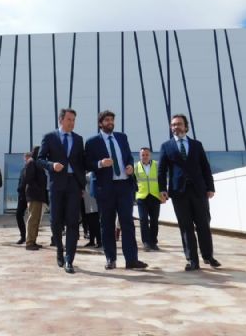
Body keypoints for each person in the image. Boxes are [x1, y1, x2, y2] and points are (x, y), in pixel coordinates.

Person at [85, 110, 147, 270]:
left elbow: (128, 157)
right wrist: (100, 163)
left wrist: (130, 166)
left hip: (124, 186)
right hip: (105, 188)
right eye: (107, 120)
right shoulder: (92, 142)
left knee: (128, 223)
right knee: (107, 224)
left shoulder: (122, 137)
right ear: (100, 123)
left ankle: (131, 260)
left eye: (112, 120)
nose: (110, 122)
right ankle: (110, 259)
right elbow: (86, 164)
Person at [158, 114, 221, 271]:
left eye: (179, 124)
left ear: (186, 126)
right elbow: (161, 171)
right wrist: (162, 189)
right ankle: (192, 260)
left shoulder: (196, 145)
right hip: (178, 192)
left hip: (199, 190)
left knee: (203, 224)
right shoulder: (166, 146)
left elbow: (205, 167)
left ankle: (208, 256)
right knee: (186, 227)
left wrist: (210, 187)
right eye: (173, 125)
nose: (176, 127)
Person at [37, 108, 86, 274]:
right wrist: (52, 165)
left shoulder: (78, 139)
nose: (72, 123)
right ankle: (59, 249)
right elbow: (40, 159)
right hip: (56, 184)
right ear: (61, 120)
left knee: (73, 222)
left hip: (74, 184)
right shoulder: (49, 137)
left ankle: (69, 259)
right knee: (55, 221)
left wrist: (82, 184)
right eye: (69, 119)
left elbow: (81, 162)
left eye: (74, 120)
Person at [135, 147, 165, 251]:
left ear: (150, 155)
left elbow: (162, 180)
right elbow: (133, 182)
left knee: (154, 220)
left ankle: (153, 242)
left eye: (147, 154)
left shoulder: (156, 165)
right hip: (141, 197)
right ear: (140, 156)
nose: (145, 156)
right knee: (143, 220)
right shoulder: (136, 167)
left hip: (154, 196)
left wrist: (163, 194)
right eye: (143, 155)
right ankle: (146, 242)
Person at [23, 145, 47, 250]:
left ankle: (33, 241)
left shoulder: (37, 163)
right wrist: (38, 189)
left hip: (39, 195)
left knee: (36, 219)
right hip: (34, 195)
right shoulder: (31, 162)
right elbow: (28, 179)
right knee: (33, 219)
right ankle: (29, 243)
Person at [82, 172, 101, 248]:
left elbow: (87, 178)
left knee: (95, 222)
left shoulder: (92, 173)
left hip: (93, 200)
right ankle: (92, 241)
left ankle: (99, 241)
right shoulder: (86, 173)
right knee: (90, 222)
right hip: (87, 200)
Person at [15, 152, 29, 244]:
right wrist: (19, 189)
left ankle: (31, 238)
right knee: (18, 215)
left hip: (32, 196)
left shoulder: (35, 167)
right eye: (25, 158)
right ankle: (23, 236)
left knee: (33, 218)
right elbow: (21, 181)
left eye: (26, 158)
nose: (25, 160)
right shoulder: (23, 169)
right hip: (22, 197)